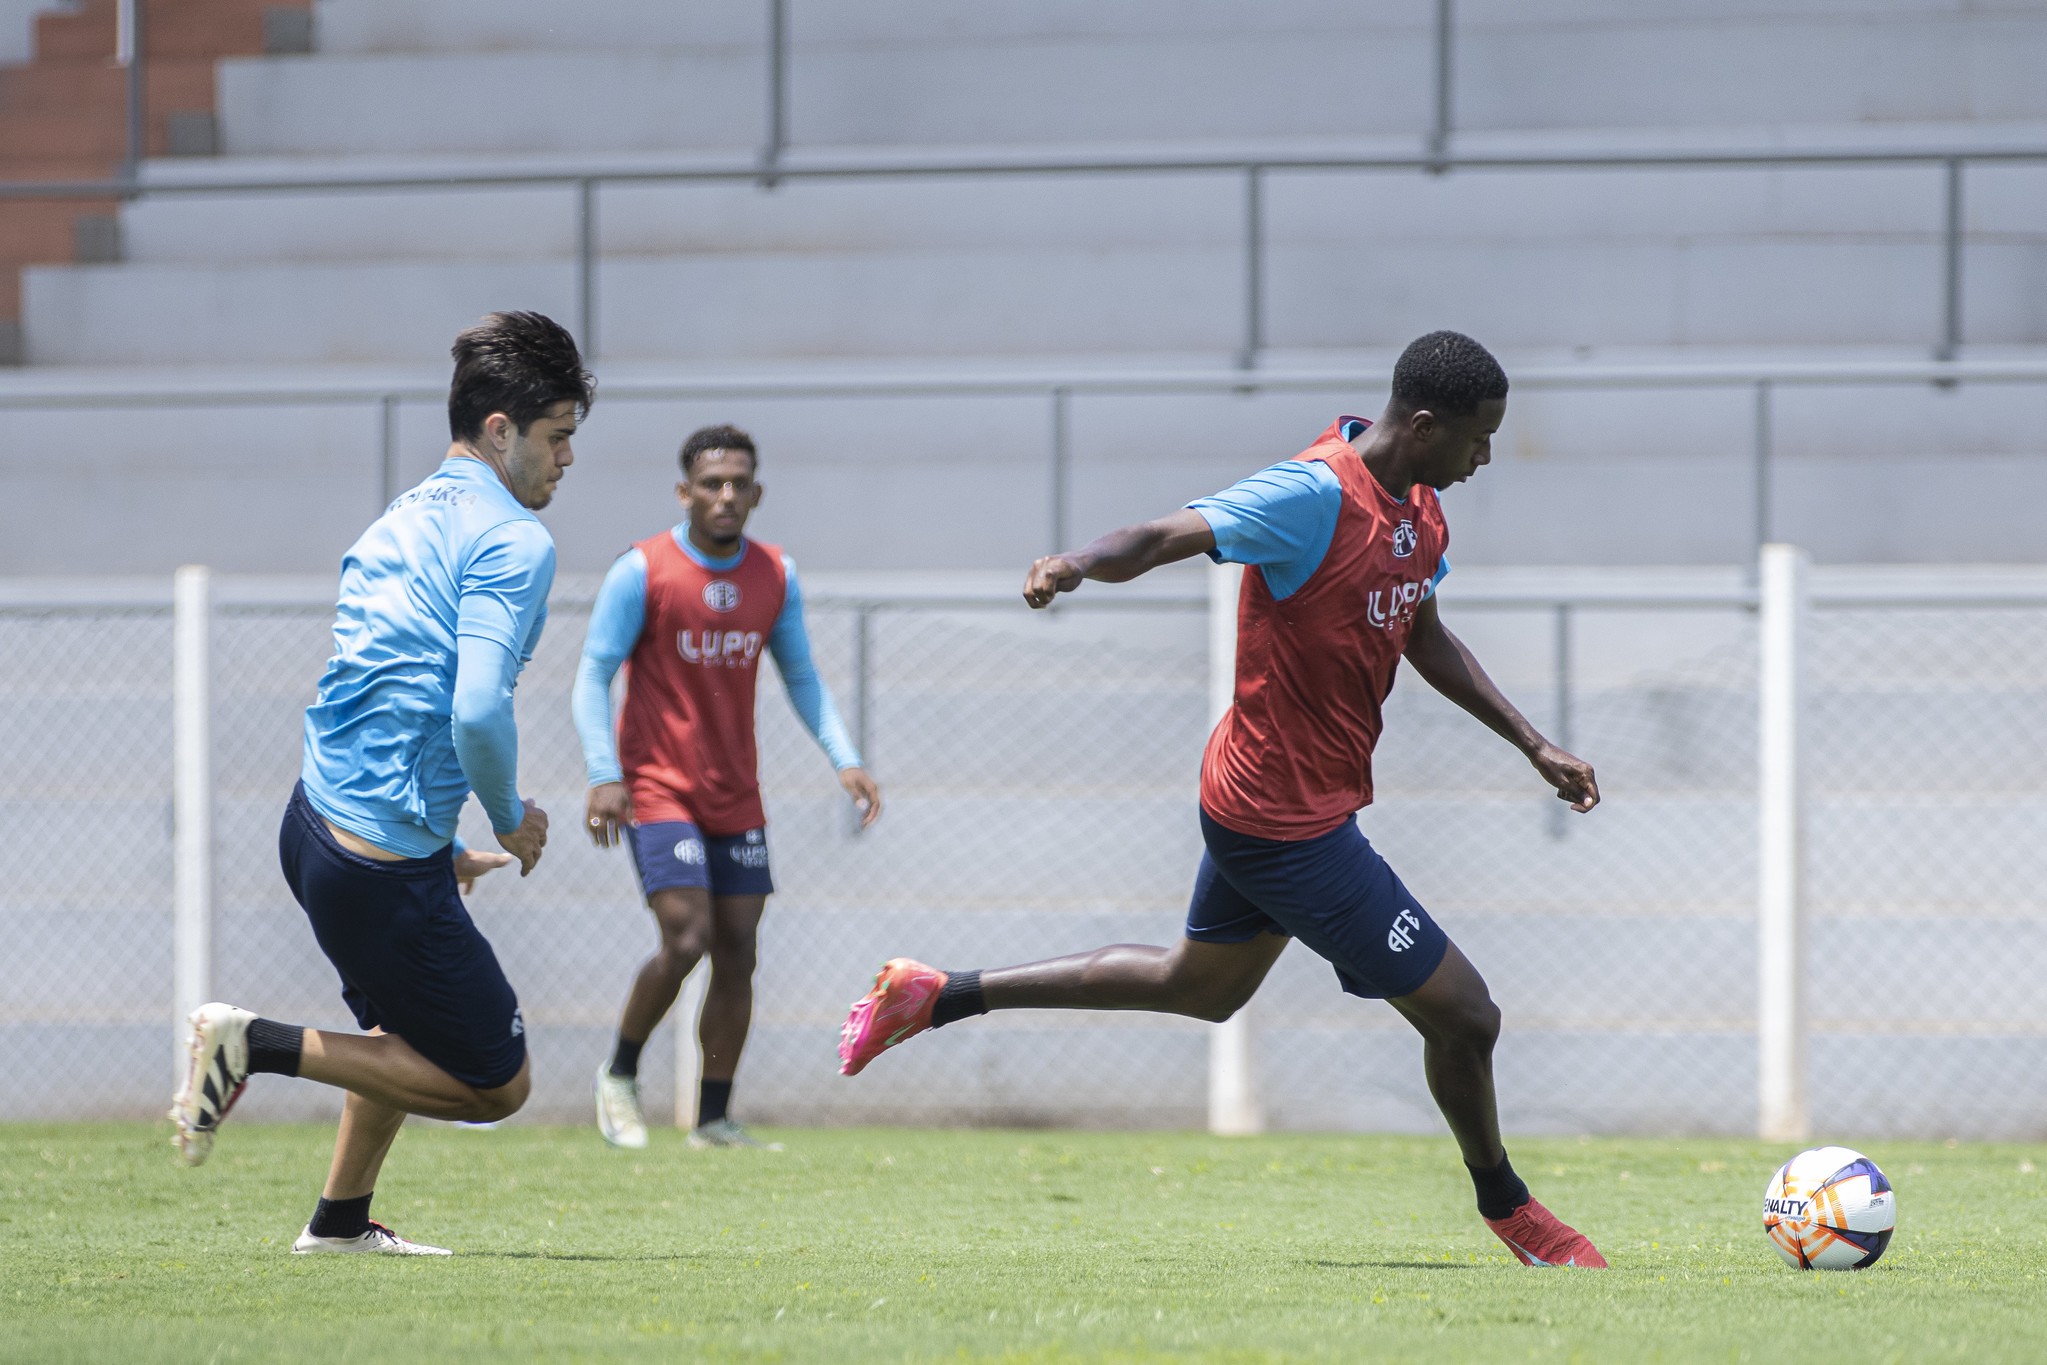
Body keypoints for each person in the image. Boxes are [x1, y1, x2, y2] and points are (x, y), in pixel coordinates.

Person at [838, 331, 1609, 1268]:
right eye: (1477, 439)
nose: (1486, 458)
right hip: (1288, 826)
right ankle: (1513, 1212)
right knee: (1467, 1014)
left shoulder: (1420, 513)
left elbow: (1422, 632)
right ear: (1423, 424)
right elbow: (1164, 535)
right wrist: (1075, 562)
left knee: (1195, 987)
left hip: (1272, 805)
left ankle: (935, 994)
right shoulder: (1311, 494)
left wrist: (1532, 742)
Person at [167, 311, 594, 1255]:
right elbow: (476, 711)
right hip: (375, 857)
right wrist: (512, 815)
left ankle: (340, 1222)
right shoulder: (513, 541)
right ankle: (254, 1044)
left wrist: (440, 842)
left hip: (316, 820)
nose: (567, 459)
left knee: (399, 1038)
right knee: (495, 1080)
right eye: (557, 436)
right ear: (499, 429)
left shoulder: (400, 515)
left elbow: (390, 679)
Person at [575, 424, 881, 1150]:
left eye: (738, 483)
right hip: (657, 787)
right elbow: (592, 671)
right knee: (687, 937)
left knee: (738, 951)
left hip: (735, 792)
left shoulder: (775, 573)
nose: (725, 494)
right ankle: (618, 1074)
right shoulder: (642, 569)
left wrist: (843, 756)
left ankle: (712, 1116)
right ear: (684, 491)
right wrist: (603, 773)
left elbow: (800, 675)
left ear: (757, 492)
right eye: (710, 483)